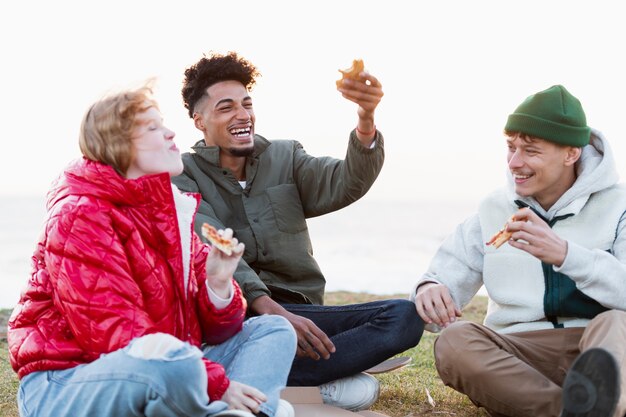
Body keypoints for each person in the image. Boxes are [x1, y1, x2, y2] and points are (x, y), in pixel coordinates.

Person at [7, 83, 297, 417]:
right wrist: (216, 385)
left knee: (273, 330)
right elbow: (117, 336)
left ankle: (240, 412)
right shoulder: (79, 214)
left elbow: (219, 332)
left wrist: (217, 284)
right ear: (119, 145)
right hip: (70, 382)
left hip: (167, 368)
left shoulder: (169, 213)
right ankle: (244, 410)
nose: (172, 133)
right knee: (176, 366)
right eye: (153, 127)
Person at [171, 51, 424, 411]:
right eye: (226, 108)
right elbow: (212, 246)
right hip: (236, 317)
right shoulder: (182, 173)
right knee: (259, 337)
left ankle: (271, 375)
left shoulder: (286, 156)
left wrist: (366, 119)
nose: (242, 115)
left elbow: (346, 182)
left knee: (404, 317)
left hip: (303, 313)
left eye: (246, 104)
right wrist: (270, 310)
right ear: (199, 120)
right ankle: (317, 380)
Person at [412, 85, 626, 417]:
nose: (515, 163)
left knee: (615, 322)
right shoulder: (492, 211)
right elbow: (442, 279)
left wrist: (568, 255)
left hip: (599, 346)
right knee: (454, 341)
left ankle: (595, 401)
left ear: (571, 153)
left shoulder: (619, 207)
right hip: (520, 355)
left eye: (530, 151)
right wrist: (429, 289)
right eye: (510, 148)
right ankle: (572, 410)